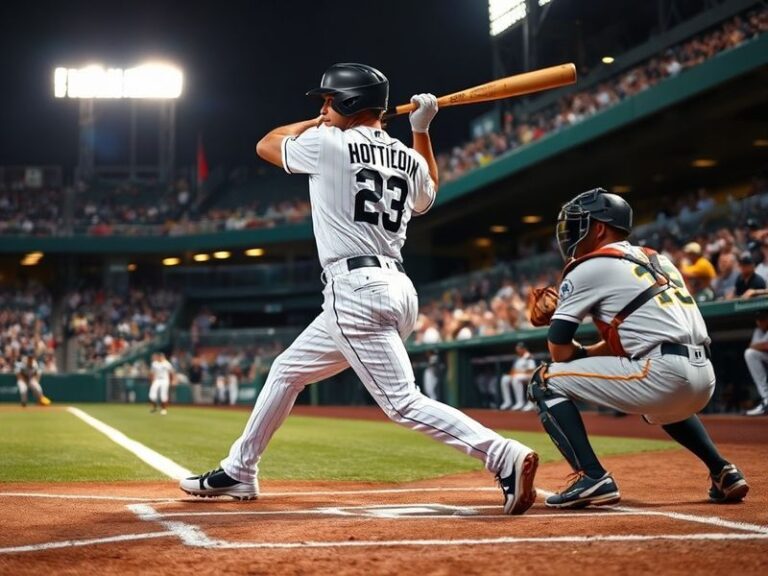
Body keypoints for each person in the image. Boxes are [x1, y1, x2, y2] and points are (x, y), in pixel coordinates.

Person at [180, 63, 538, 515]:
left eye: (330, 101)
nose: (323, 109)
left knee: (402, 402)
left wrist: (319, 123)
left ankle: (501, 455)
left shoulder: (327, 142)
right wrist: (421, 132)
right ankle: (240, 470)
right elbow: (427, 198)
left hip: (355, 288)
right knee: (287, 370)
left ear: (350, 104)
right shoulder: (407, 156)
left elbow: (266, 143)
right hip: (397, 287)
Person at [527, 188, 748, 509]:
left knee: (544, 381)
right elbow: (634, 336)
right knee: (658, 402)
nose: (571, 233)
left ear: (599, 228)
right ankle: (723, 471)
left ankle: (592, 476)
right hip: (703, 376)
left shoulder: (588, 266)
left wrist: (554, 324)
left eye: (579, 224)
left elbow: (559, 354)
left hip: (663, 374)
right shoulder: (659, 259)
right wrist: (589, 354)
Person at [499, 342, 537, 411]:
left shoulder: (528, 356)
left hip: (529, 376)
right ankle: (507, 402)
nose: (517, 350)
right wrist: (512, 373)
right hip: (518, 375)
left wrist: (518, 372)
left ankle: (520, 402)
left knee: (516, 378)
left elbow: (532, 369)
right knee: (504, 379)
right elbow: (513, 369)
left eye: (519, 349)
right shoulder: (518, 358)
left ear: (524, 349)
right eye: (517, 349)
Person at [744, 311, 768, 416]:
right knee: (750, 354)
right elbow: (752, 347)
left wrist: (759, 346)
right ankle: (766, 399)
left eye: (763, 319)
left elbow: (765, 346)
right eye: (758, 319)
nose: (760, 322)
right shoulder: (758, 331)